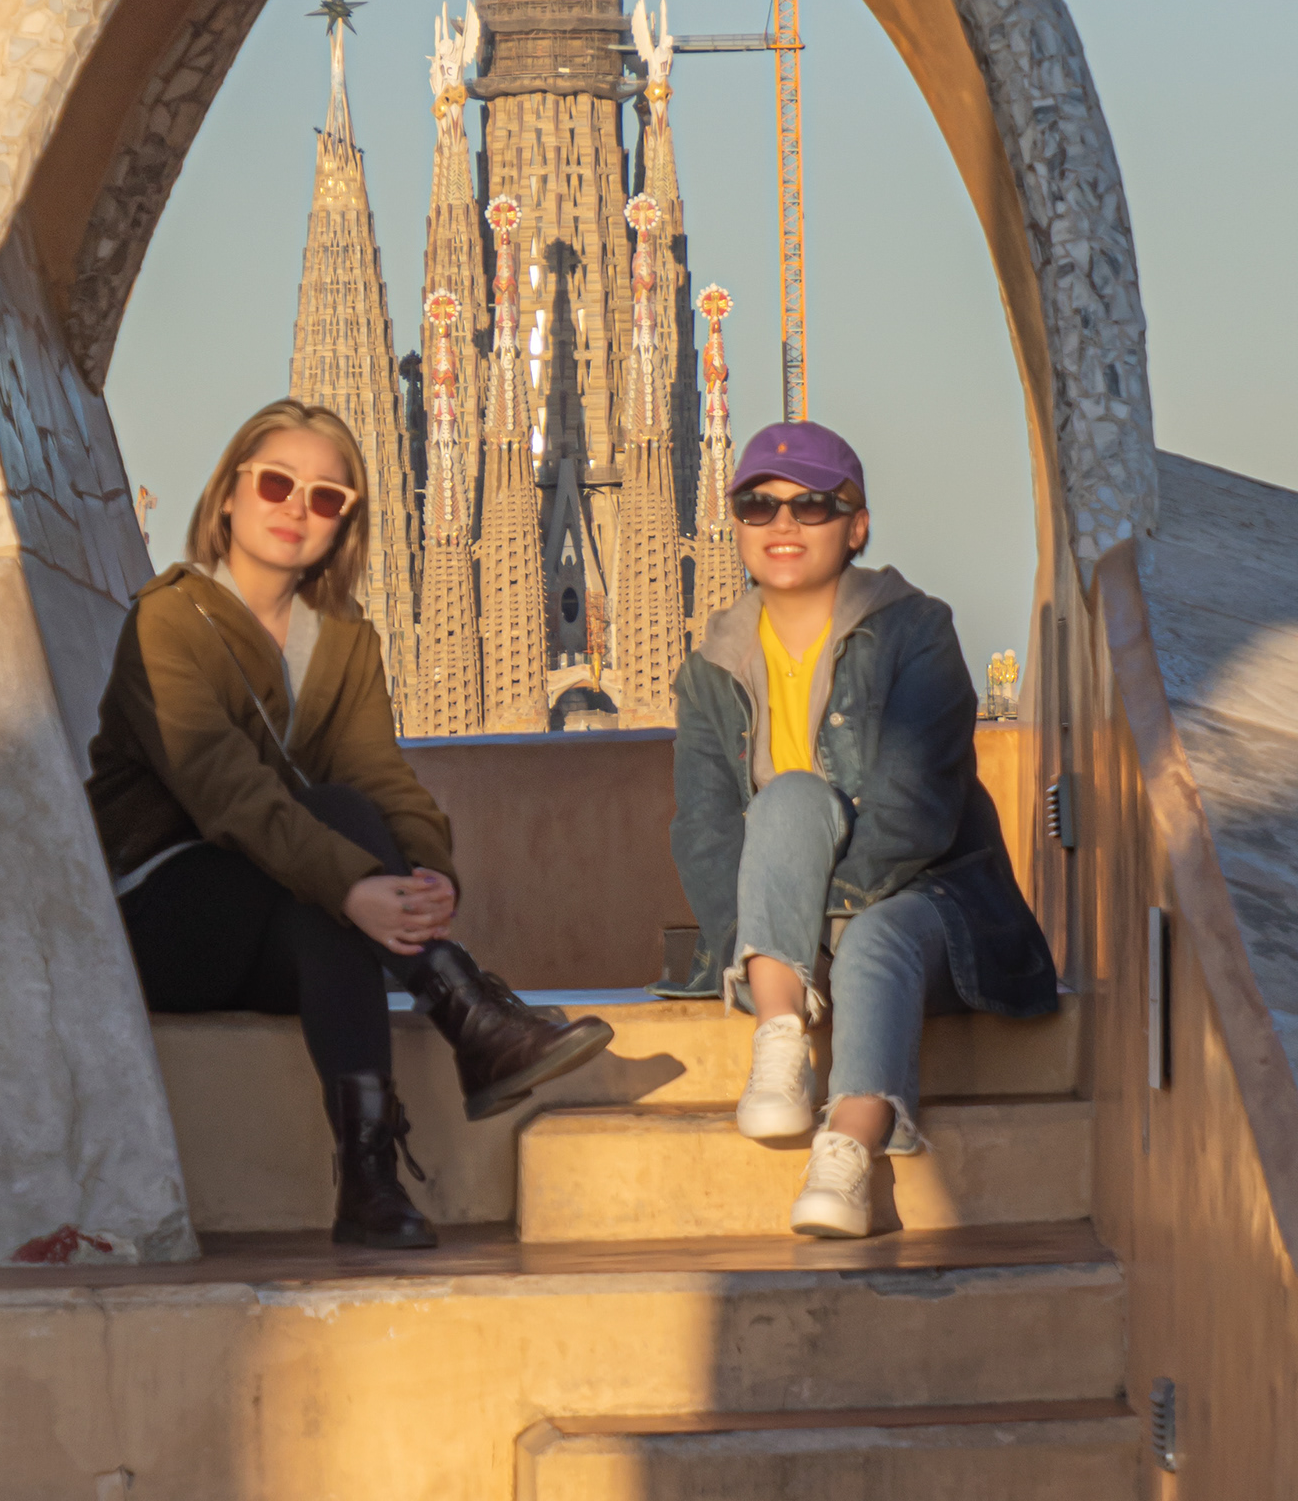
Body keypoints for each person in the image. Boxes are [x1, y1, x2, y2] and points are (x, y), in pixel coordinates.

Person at [87, 399, 614, 1250]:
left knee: (333, 878)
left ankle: (368, 1181)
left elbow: (382, 776)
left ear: (346, 525)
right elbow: (226, 795)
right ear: (228, 495)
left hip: (279, 914)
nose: (299, 507)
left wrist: (432, 873)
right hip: (167, 914)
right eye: (277, 484)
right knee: (331, 830)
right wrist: (362, 884)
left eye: (327, 497)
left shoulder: (343, 640)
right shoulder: (167, 622)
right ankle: (466, 1008)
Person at [664, 419, 1057, 1238]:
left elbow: (915, 808)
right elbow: (704, 832)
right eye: (758, 505)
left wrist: (823, 923)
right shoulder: (711, 667)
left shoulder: (916, 632)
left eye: (812, 506)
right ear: (733, 521)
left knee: (879, 934)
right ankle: (780, 1039)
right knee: (788, 801)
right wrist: (775, 942)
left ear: (857, 525)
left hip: (932, 905)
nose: (782, 524)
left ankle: (847, 1147)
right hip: (790, 944)